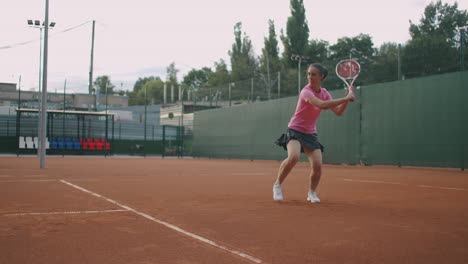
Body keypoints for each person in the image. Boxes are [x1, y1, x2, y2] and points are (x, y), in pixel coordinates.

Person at [273, 63, 355, 203]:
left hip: (310, 133)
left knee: (317, 165)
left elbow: (339, 112)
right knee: (293, 157)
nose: (310, 77)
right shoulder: (306, 91)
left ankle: (311, 193)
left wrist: (347, 98)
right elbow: (321, 105)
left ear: (321, 77)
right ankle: (277, 185)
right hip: (295, 130)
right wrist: (346, 98)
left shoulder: (325, 93)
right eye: (308, 74)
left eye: (313, 74)